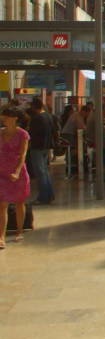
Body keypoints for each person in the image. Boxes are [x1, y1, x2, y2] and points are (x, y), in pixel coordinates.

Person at [0, 105, 31, 248]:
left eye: (6, 116)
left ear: (15, 118)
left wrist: (17, 172)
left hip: (18, 172)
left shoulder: (23, 134)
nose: (3, 118)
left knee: (19, 202)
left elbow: (23, 154)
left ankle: (19, 230)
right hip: (2, 172)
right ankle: (1, 237)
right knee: (3, 204)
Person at [27, 98, 55, 205]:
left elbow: (31, 133)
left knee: (40, 173)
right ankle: (49, 195)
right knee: (45, 172)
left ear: (34, 107)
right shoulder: (48, 116)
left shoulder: (36, 118)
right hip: (46, 147)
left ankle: (43, 197)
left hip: (37, 147)